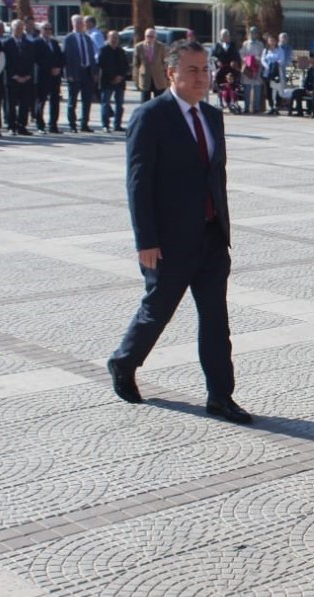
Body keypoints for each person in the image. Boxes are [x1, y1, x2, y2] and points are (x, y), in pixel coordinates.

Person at [109, 40, 250, 425]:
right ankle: (124, 362)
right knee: (157, 310)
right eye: (192, 70)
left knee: (216, 320)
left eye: (205, 69)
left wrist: (221, 224)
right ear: (171, 72)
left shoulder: (212, 116)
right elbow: (138, 183)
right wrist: (146, 240)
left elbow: (214, 175)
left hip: (211, 237)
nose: (202, 77)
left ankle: (221, 396)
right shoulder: (151, 116)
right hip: (169, 241)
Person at [1, 20, 36, 136]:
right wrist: (15, 76)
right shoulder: (6, 44)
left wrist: (28, 75)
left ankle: (22, 126)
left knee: (24, 104)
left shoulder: (29, 44)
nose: (19, 30)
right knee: (11, 104)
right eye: (16, 27)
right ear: (12, 29)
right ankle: (11, 126)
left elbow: (31, 61)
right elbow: (6, 62)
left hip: (26, 78)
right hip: (12, 79)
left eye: (21, 27)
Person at [64, 14, 98, 132]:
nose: (80, 25)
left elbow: (91, 56)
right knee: (72, 100)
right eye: (77, 22)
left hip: (87, 72)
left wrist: (94, 72)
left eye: (81, 22)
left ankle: (84, 124)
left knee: (87, 100)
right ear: (72, 24)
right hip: (75, 73)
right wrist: (68, 74)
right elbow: (66, 58)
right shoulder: (69, 39)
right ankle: (72, 125)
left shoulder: (87, 38)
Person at [35, 22, 65, 133]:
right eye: (45, 28)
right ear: (41, 30)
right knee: (41, 101)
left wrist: (58, 68)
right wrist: (50, 68)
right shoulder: (36, 43)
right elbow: (37, 59)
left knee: (55, 101)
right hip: (43, 76)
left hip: (55, 77)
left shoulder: (54, 42)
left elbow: (61, 57)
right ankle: (40, 125)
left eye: (50, 29)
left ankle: (53, 125)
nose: (48, 31)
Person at [98, 29, 128, 132]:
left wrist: (120, 76)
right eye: (112, 38)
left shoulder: (121, 51)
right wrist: (112, 78)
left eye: (116, 38)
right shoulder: (103, 50)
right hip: (107, 81)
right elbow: (102, 65)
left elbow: (126, 66)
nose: (114, 40)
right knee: (105, 104)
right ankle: (105, 125)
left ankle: (117, 125)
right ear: (108, 38)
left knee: (119, 105)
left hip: (120, 82)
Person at [134, 28, 169, 105]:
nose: (149, 38)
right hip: (145, 80)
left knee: (160, 104)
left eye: (151, 36)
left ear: (155, 37)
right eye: (147, 36)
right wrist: (136, 80)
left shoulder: (161, 47)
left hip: (159, 80)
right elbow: (136, 65)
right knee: (145, 104)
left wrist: (168, 79)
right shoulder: (139, 47)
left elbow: (165, 63)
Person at [237, 27, 262, 113]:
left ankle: (256, 108)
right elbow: (242, 54)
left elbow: (263, 54)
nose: (253, 34)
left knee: (257, 88)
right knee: (247, 89)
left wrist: (257, 59)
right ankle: (246, 107)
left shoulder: (260, 44)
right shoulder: (245, 43)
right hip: (248, 69)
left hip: (257, 68)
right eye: (251, 33)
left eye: (255, 33)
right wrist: (247, 59)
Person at [210, 29, 240, 100]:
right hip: (221, 69)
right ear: (221, 37)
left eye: (227, 35)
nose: (225, 37)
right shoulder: (217, 46)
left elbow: (237, 56)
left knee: (232, 84)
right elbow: (212, 56)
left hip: (230, 69)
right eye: (224, 36)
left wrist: (234, 61)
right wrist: (217, 61)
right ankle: (221, 100)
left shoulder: (232, 45)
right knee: (220, 84)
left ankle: (232, 100)